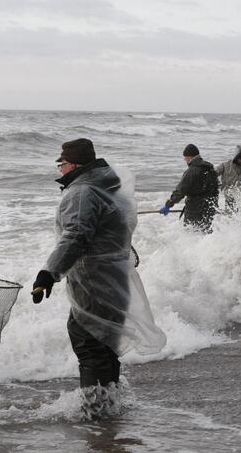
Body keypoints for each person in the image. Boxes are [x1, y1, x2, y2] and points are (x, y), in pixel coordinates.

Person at [32, 138, 166, 392]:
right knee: (106, 343)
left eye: (61, 164)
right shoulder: (110, 189)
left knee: (88, 341)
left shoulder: (82, 192)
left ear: (72, 165)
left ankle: (96, 411)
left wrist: (49, 273)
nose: (60, 170)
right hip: (116, 279)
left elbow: (76, 236)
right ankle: (109, 404)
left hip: (93, 281)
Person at [159, 144, 219, 232]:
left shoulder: (192, 171)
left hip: (194, 210)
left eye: (185, 157)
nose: (185, 159)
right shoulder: (210, 169)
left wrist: (168, 205)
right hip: (209, 208)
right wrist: (213, 206)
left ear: (190, 157)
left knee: (191, 233)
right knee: (206, 233)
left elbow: (180, 191)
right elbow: (216, 189)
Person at [215, 145, 241, 212]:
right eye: (240, 158)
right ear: (236, 157)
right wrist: (218, 184)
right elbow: (212, 174)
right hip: (229, 195)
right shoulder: (225, 165)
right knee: (230, 214)